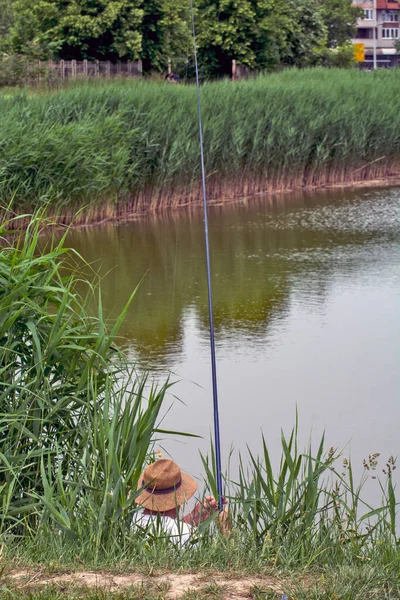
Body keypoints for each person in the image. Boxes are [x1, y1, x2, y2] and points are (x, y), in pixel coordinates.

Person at [134, 458, 228, 546]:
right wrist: (225, 528)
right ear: (179, 495)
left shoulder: (127, 523)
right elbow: (225, 561)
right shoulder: (189, 536)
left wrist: (191, 518)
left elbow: (163, 528)